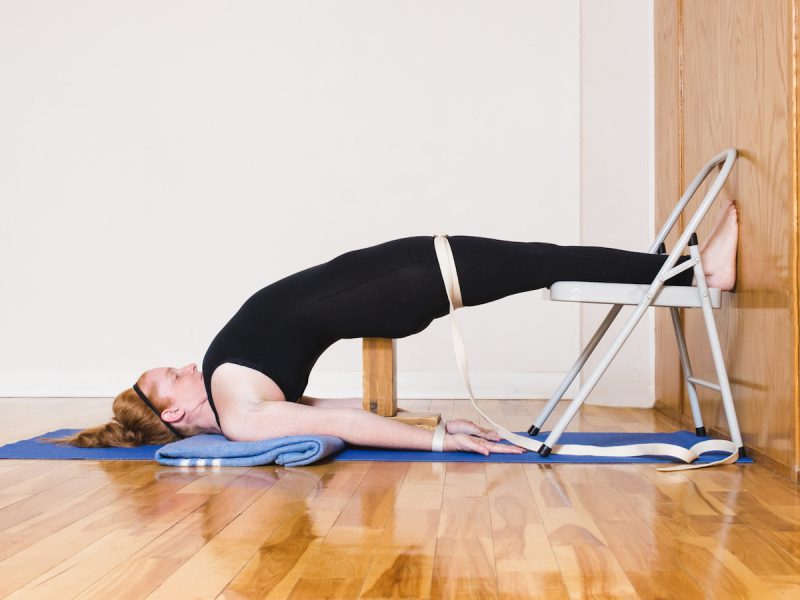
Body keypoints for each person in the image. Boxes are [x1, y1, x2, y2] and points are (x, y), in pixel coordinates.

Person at [46, 200, 738, 456]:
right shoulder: (242, 418)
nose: (178, 363)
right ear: (170, 408)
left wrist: (423, 417)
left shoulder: (239, 407)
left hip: (393, 278)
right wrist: (438, 439)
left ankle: (683, 270)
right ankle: (696, 272)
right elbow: (350, 428)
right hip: (401, 282)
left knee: (539, 262)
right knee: (543, 263)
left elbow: (337, 409)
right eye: (167, 375)